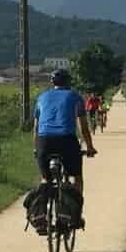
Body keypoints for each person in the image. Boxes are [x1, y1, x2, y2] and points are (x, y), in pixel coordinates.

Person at [33, 66, 97, 225]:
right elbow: (83, 127)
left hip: (44, 141)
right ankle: (76, 215)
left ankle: (41, 214)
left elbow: (36, 128)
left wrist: (37, 148)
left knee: (45, 179)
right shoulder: (75, 96)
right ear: (69, 82)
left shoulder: (41, 97)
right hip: (66, 140)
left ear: (52, 82)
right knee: (77, 177)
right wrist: (89, 147)